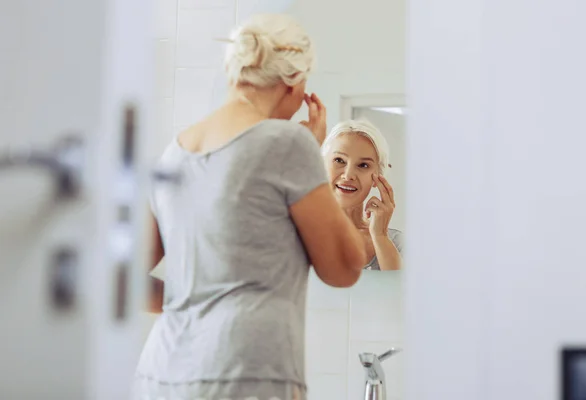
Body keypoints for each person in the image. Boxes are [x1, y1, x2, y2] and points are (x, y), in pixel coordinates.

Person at [133, 14, 367, 400]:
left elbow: (122, 278)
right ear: (294, 82)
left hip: (161, 374)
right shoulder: (288, 143)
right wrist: (315, 162)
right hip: (245, 375)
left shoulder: (176, 151)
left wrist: (191, 302)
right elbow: (344, 267)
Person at [321, 119, 403, 271]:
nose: (348, 175)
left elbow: (401, 293)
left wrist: (380, 236)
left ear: (378, 176)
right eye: (339, 160)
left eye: (363, 165)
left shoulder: (397, 243)